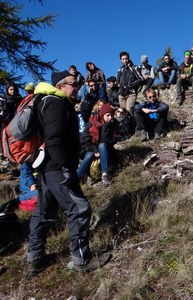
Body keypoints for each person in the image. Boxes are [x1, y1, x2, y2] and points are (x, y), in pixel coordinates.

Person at [27, 70, 110, 276]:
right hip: (57, 167)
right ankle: (81, 260)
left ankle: (35, 257)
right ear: (60, 85)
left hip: (47, 168)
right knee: (79, 208)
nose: (77, 87)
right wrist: (65, 166)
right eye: (73, 84)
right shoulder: (55, 103)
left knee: (43, 212)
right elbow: (54, 138)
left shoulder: (46, 102)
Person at [78, 103, 117, 186]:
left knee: (102, 145)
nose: (110, 117)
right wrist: (95, 149)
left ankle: (105, 174)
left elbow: (107, 141)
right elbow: (84, 140)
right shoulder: (91, 124)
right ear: (102, 114)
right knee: (89, 155)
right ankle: (77, 177)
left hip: (106, 151)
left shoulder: (111, 124)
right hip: (91, 149)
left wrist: (106, 127)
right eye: (108, 115)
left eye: (111, 115)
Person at [116, 51, 143, 117]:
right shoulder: (120, 70)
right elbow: (117, 80)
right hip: (121, 94)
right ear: (121, 60)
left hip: (131, 93)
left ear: (128, 58)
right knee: (122, 111)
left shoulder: (134, 67)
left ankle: (133, 125)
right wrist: (120, 86)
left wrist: (131, 85)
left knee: (129, 109)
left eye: (126, 58)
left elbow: (141, 78)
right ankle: (126, 126)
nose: (125, 60)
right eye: (123, 59)